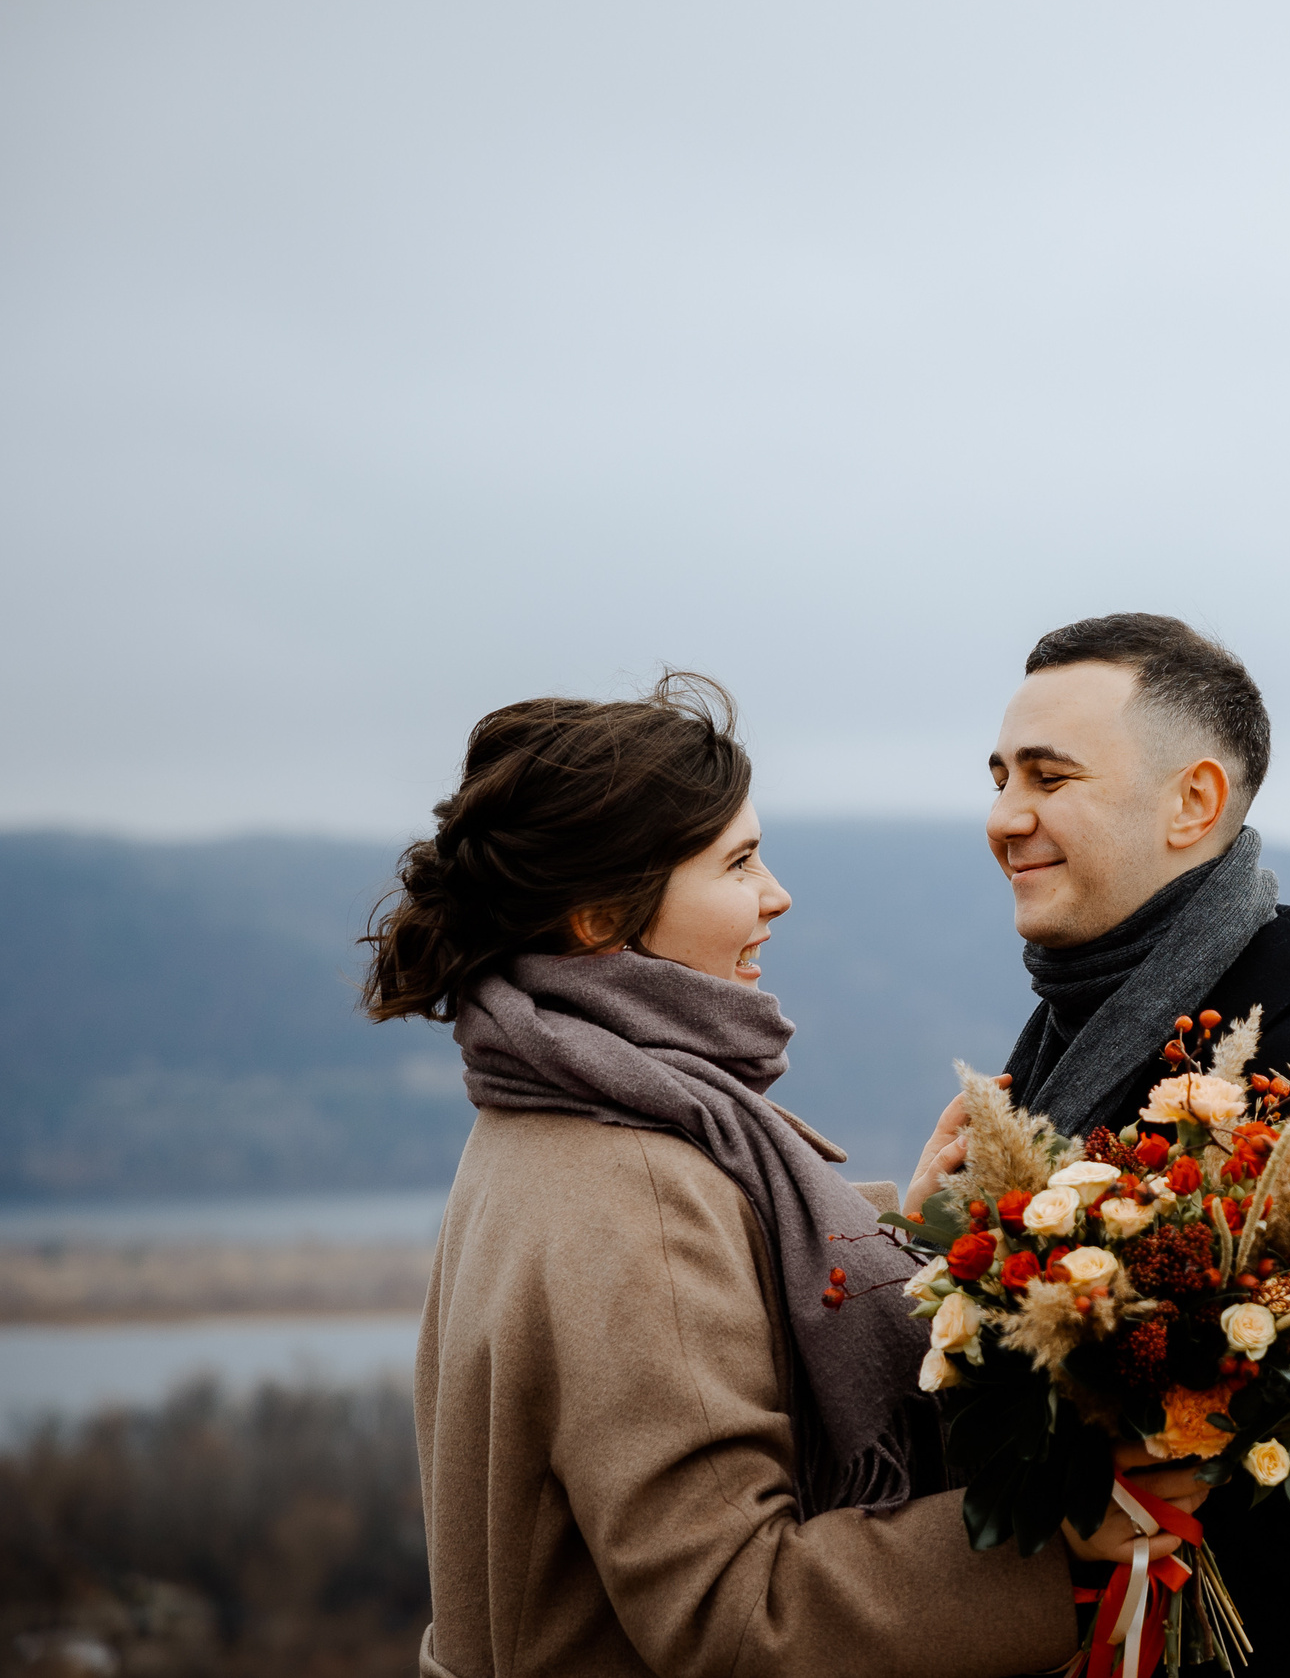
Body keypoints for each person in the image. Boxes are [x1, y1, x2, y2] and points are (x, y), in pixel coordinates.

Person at [364, 673, 1202, 1678]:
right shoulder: (638, 1183)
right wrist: (1051, 1542)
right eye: (739, 861)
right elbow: (735, 1609)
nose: (777, 893)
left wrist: (910, 1220)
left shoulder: (540, 1106)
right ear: (598, 920)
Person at [965, 615, 1290, 1678]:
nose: (1005, 816)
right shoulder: (1061, 1038)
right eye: (1001, 774)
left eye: (1049, 777)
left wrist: (1083, 1578)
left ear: (1192, 802)